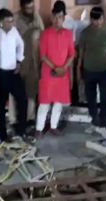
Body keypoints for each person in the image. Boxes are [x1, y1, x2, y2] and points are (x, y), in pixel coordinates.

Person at [77, 6, 106, 137]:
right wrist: (78, 69)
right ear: (91, 20)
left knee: (105, 98)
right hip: (89, 70)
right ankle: (95, 121)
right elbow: (81, 54)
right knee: (91, 99)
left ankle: (103, 123)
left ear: (103, 18)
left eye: (100, 20)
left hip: (105, 69)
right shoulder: (85, 33)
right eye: (95, 20)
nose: (98, 23)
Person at [35, 7, 75, 137]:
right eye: (55, 17)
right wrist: (55, 68)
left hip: (62, 74)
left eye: (60, 17)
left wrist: (63, 68)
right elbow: (43, 56)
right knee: (44, 103)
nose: (58, 20)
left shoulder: (68, 34)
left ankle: (53, 126)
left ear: (64, 18)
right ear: (51, 18)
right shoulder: (45, 34)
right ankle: (39, 129)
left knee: (58, 102)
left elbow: (71, 54)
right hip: (48, 73)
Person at [0, 8, 30, 143]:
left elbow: (21, 45)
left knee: (22, 99)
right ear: (1, 23)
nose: (12, 23)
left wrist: (19, 60)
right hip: (0, 74)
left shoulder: (14, 32)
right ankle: (2, 135)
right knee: (0, 105)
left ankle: (21, 130)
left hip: (13, 73)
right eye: (9, 21)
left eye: (12, 20)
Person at [10, 0, 44, 130]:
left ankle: (30, 118)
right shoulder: (15, 19)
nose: (30, 10)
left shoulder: (37, 18)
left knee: (31, 91)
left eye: (32, 7)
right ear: (22, 7)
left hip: (33, 62)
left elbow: (42, 37)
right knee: (13, 92)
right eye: (27, 8)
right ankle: (13, 119)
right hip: (16, 62)